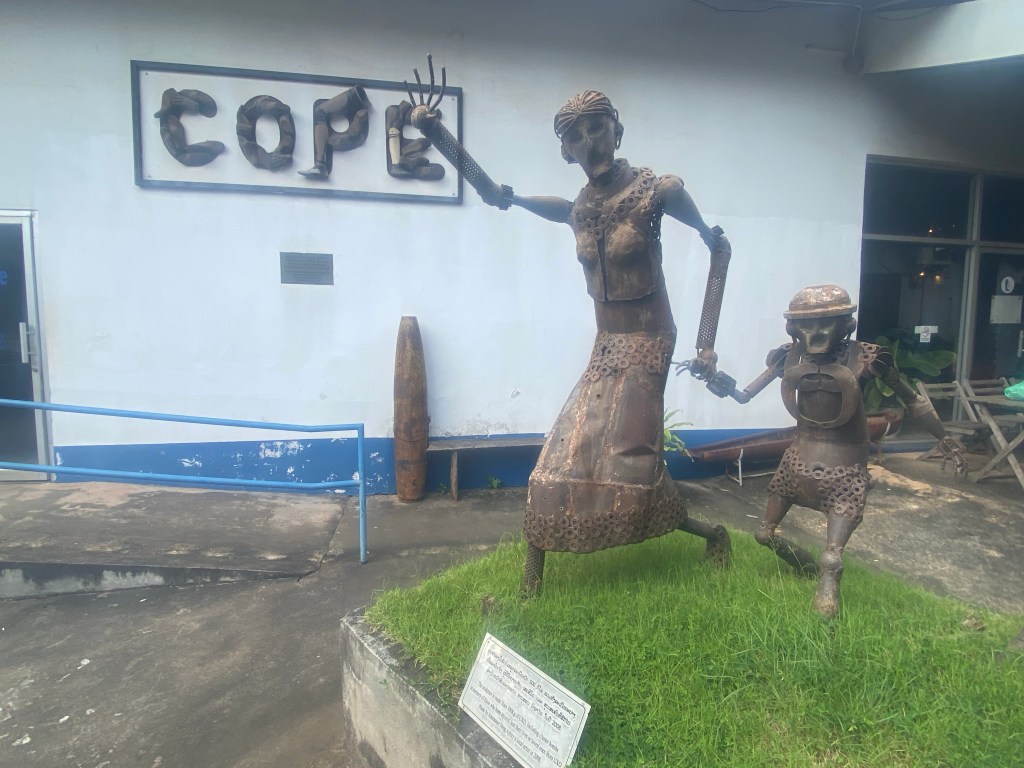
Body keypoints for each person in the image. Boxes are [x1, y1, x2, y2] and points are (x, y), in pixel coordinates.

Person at [417, 90, 733, 595]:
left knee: (629, 464)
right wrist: (440, 136)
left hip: (649, 342)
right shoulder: (578, 209)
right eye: (575, 136)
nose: (589, 142)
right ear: (566, 151)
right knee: (561, 457)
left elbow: (719, 247)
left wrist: (706, 346)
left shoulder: (659, 193)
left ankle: (708, 533)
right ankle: (531, 588)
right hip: (606, 346)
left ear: (616, 131)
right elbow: (502, 196)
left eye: (596, 128)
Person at [691, 284, 966, 618]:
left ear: (845, 324)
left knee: (832, 552)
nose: (816, 334)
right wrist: (714, 378)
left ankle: (827, 591)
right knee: (763, 534)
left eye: (825, 324)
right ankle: (804, 565)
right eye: (806, 325)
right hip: (797, 459)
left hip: (845, 464)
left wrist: (943, 438)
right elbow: (744, 396)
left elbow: (911, 399)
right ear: (794, 328)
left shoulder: (866, 357)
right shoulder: (788, 356)